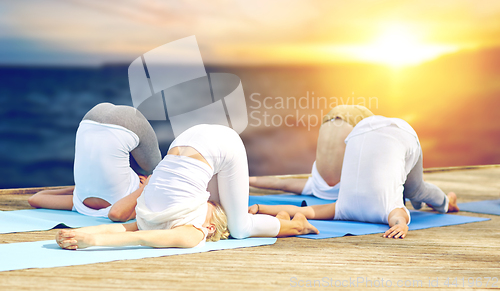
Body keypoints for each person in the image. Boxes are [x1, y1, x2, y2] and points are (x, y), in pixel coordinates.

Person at [56, 124, 318, 250]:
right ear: (210, 228)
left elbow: (132, 232)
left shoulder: (181, 227)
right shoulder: (192, 229)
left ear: (210, 227)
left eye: (213, 203)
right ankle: (298, 224)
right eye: (213, 202)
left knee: (238, 229)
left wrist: (85, 235)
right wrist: (90, 239)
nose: (211, 199)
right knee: (240, 229)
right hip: (218, 144)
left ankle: (289, 221)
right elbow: (138, 234)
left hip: (191, 138)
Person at [249, 116, 459, 239]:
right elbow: (398, 219)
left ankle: (445, 202)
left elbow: (398, 219)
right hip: (365, 131)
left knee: (415, 190)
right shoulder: (344, 208)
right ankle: (444, 202)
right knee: (415, 190)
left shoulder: (349, 208)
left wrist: (401, 226)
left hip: (381, 132)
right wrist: (260, 208)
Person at [28, 102, 162, 221]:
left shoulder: (78, 203)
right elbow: (36, 199)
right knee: (156, 170)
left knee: (158, 171)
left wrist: (146, 186)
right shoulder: (79, 203)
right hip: (90, 121)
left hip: (111, 119)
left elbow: (34, 199)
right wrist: (146, 188)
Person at [249, 105, 374, 199]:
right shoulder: (318, 187)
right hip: (332, 120)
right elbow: (280, 183)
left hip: (350, 118)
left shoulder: (325, 187)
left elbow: (279, 183)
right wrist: (245, 180)